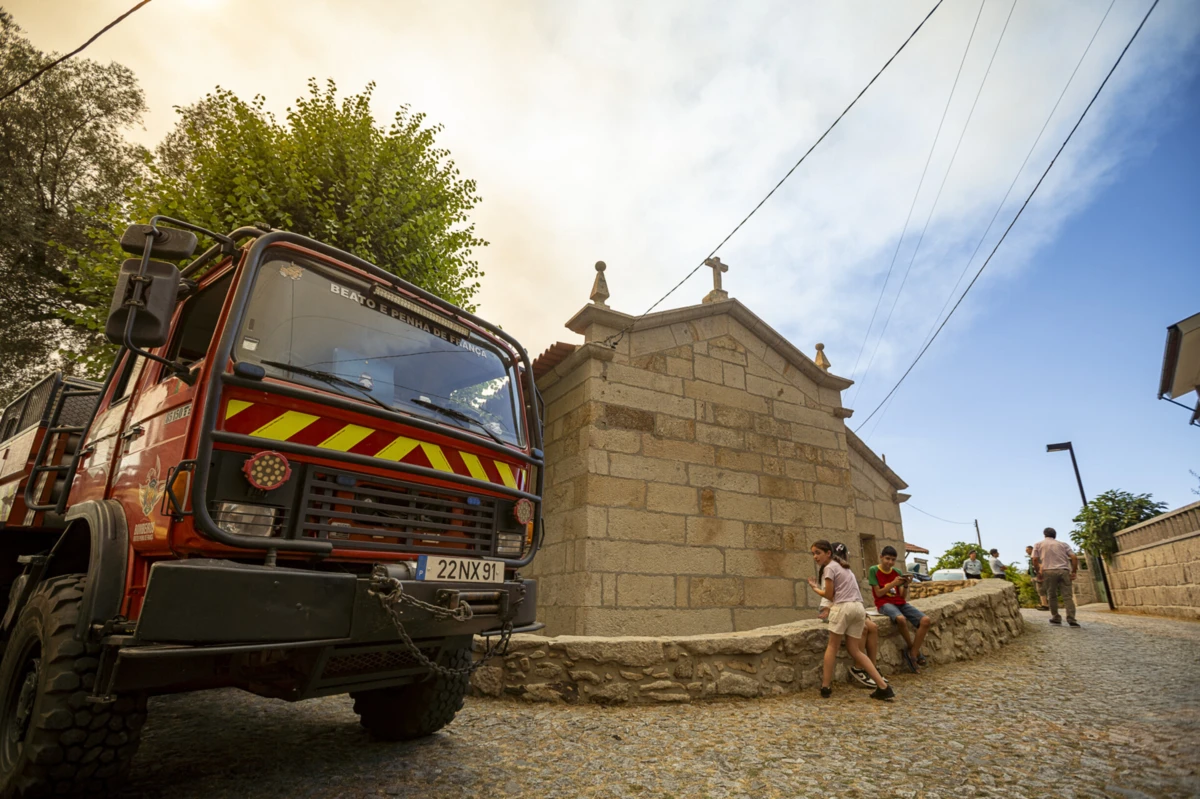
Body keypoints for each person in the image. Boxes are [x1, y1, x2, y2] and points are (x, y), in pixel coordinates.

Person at [807, 539, 894, 700]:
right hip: (858, 608)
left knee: (832, 646)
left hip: (843, 608)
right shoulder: (845, 567)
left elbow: (829, 595)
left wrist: (815, 588)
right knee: (856, 650)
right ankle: (883, 686)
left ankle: (825, 686)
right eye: (813, 554)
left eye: (818, 553)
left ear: (828, 553)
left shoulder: (829, 568)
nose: (815, 557)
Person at [868, 545, 931, 673]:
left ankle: (912, 653)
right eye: (887, 559)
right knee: (900, 619)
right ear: (881, 557)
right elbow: (879, 593)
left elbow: (902, 596)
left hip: (899, 603)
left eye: (893, 560)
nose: (890, 562)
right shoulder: (874, 570)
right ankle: (914, 652)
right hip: (884, 603)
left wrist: (906, 585)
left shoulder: (897, 572)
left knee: (925, 620)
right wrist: (892, 584)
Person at [1031, 527, 1080, 628]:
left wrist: (1038, 572)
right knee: (1067, 596)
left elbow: (1035, 559)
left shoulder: (1038, 544)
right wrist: (1074, 571)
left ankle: (1056, 617)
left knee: (1052, 595)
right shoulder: (1063, 544)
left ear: (1044, 534)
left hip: (1048, 571)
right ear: (1055, 535)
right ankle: (1071, 619)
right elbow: (1074, 558)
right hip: (1064, 570)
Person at [1026, 545, 1049, 609]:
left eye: (1027, 550)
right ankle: (1042, 603)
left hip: (1038, 575)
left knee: (1041, 590)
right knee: (1038, 590)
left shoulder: (1037, 557)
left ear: (1031, 550)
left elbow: (1041, 565)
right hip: (1033, 576)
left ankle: (1045, 605)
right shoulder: (1031, 559)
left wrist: (1040, 575)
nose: (1026, 552)